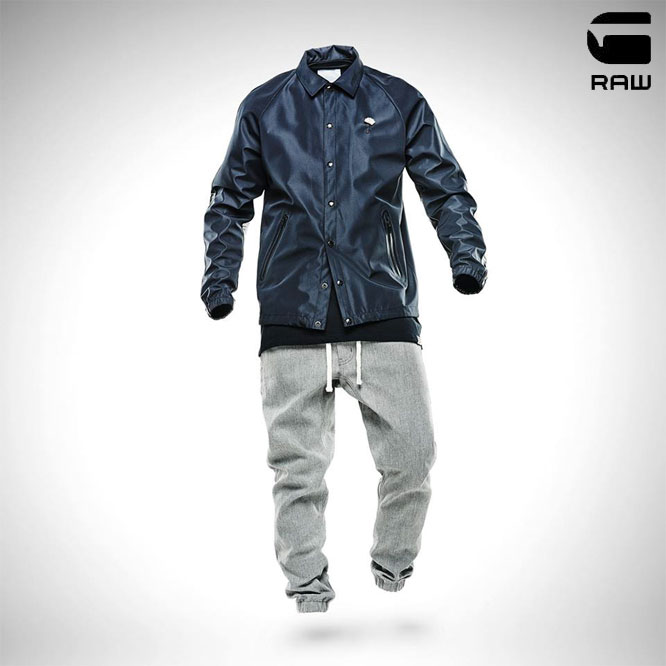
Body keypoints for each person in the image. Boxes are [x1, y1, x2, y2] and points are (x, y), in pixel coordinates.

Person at [201, 44, 488, 613]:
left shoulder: (397, 99)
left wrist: (467, 256)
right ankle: (308, 591)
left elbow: (444, 185)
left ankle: (392, 561)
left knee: (414, 455)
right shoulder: (265, 105)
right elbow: (228, 198)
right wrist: (219, 281)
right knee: (296, 473)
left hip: (382, 307)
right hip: (291, 315)